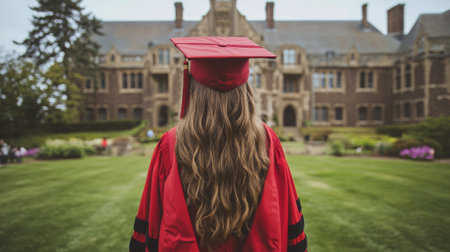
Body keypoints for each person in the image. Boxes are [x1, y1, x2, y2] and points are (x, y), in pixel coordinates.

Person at [129, 37, 307, 252]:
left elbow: (152, 227)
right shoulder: (268, 142)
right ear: (246, 91)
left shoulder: (169, 145)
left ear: (192, 88)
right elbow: (289, 221)